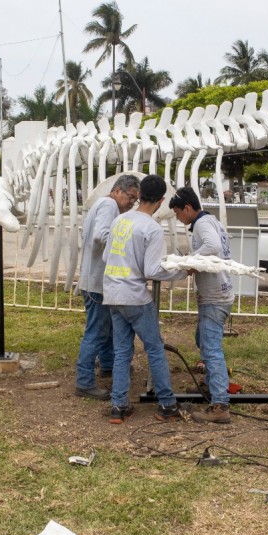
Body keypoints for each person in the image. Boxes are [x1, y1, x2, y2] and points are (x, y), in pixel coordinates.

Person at [102, 174, 186, 424]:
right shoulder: (151, 228)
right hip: (135, 297)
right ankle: (167, 404)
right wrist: (182, 271)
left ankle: (118, 406)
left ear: (138, 195)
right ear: (161, 200)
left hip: (113, 295)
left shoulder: (119, 221)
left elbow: (107, 257)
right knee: (155, 349)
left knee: (122, 351)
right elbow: (152, 270)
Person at [168, 186, 234, 424]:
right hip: (221, 293)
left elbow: (214, 247)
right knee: (203, 341)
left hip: (214, 298)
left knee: (211, 350)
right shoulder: (211, 221)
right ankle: (213, 385)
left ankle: (220, 404)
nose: (178, 218)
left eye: (178, 213)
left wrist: (190, 261)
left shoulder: (204, 225)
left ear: (187, 208)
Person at [74, 174, 140, 400]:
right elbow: (100, 237)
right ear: (118, 191)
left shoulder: (105, 205)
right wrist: (125, 245)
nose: (132, 202)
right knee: (97, 332)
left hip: (96, 280)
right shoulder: (109, 205)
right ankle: (84, 382)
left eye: (135, 200)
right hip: (97, 282)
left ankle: (109, 365)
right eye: (131, 197)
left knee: (106, 328)